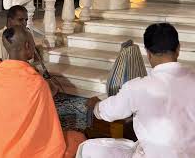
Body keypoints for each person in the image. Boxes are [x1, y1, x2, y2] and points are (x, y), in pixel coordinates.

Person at [77, 23, 195, 158]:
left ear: (148, 53)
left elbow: (107, 112)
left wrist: (96, 105)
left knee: (88, 148)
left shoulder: (137, 87)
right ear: (178, 49)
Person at [0, 26, 66, 158]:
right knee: (72, 140)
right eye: (33, 43)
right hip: (19, 153)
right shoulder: (37, 83)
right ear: (28, 45)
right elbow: (45, 127)